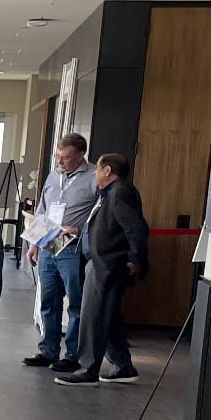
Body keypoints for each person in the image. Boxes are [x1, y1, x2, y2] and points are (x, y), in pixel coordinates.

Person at [56, 152, 148, 386]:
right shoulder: (108, 193)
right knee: (108, 315)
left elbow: (136, 228)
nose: (95, 174)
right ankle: (123, 366)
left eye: (97, 169)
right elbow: (106, 226)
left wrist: (135, 259)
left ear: (108, 171)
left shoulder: (120, 192)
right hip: (100, 262)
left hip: (107, 264)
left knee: (93, 316)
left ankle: (87, 369)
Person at [22, 133, 98, 373]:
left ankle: (73, 355)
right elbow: (42, 209)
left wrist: (80, 230)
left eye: (65, 158)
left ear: (81, 155)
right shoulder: (54, 175)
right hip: (48, 245)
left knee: (76, 304)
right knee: (48, 301)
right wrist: (34, 243)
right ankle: (48, 350)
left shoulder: (94, 177)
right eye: (58, 157)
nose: (60, 162)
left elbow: (99, 216)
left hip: (73, 248)